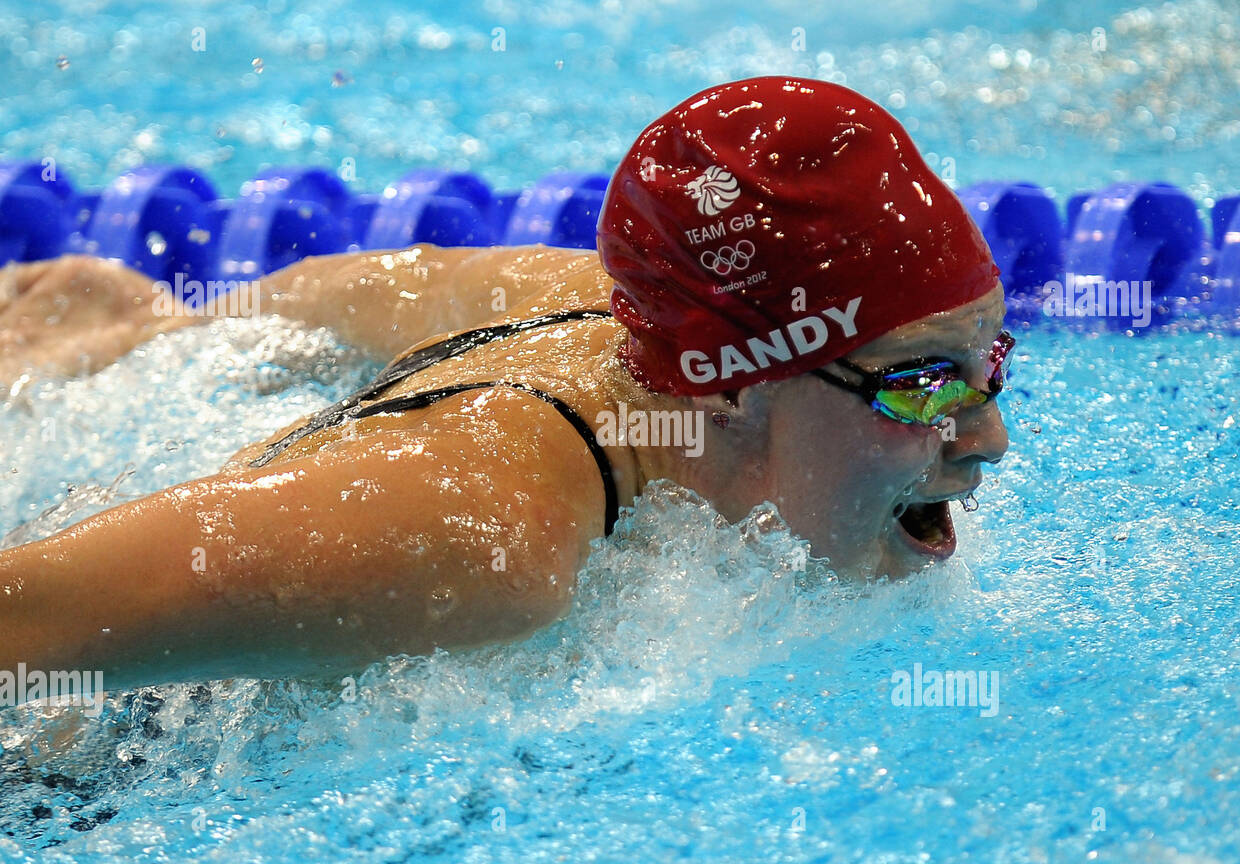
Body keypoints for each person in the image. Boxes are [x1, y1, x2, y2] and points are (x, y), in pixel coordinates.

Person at [0, 76, 1011, 690]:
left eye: (989, 365)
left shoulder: (621, 311)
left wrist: (155, 334)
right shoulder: (484, 542)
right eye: (920, 384)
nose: (987, 435)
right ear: (735, 390)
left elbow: (363, 288)